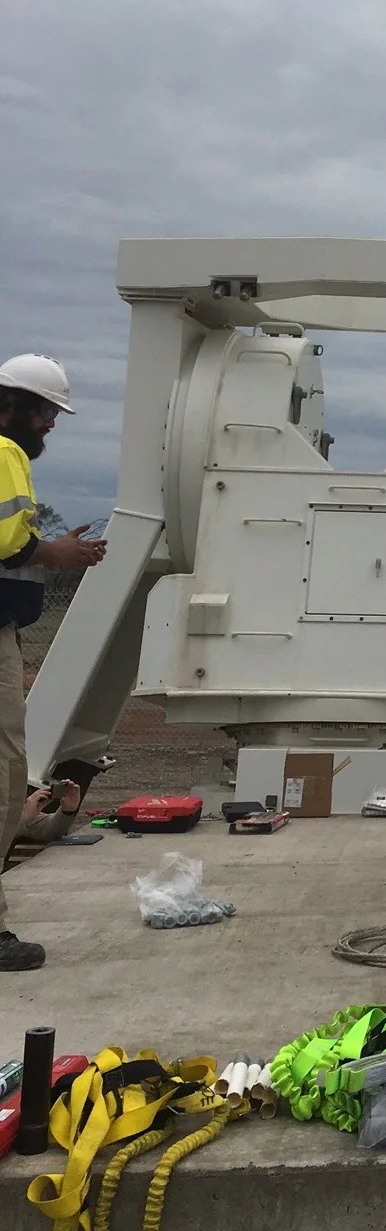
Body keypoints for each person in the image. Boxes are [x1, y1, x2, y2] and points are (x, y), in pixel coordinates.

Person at [0, 354, 107, 971]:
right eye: (45, 411)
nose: (50, 425)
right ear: (11, 403)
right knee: (5, 773)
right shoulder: (4, 451)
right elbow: (9, 541)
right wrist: (59, 552)